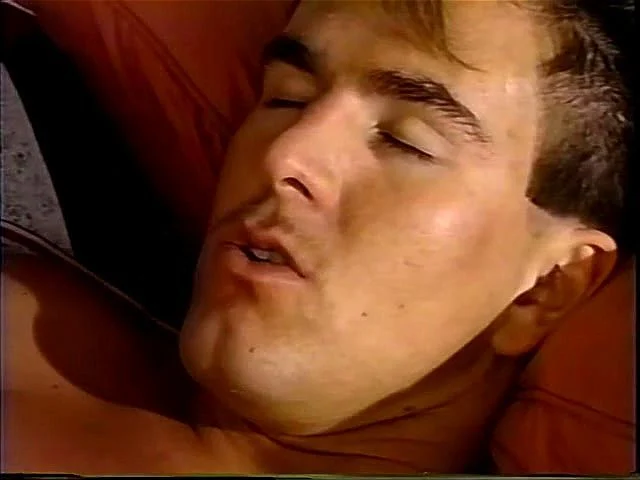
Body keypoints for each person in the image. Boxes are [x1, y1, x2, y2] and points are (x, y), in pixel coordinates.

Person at [3, 0, 633, 474]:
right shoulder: (39, 306)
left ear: (545, 288)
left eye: (405, 141)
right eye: (285, 98)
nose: (285, 155)